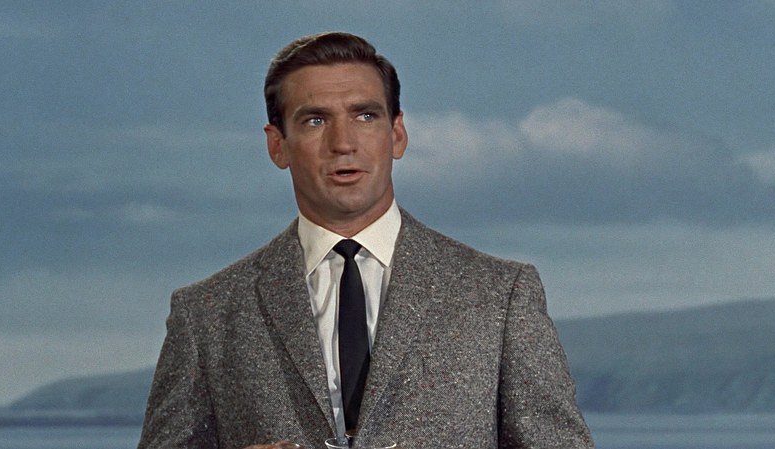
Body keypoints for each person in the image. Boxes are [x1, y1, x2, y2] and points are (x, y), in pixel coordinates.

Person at [138, 32, 593, 449]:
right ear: (278, 145)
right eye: (315, 120)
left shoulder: (500, 295)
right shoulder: (207, 314)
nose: (343, 143)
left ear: (397, 134)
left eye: (365, 116)